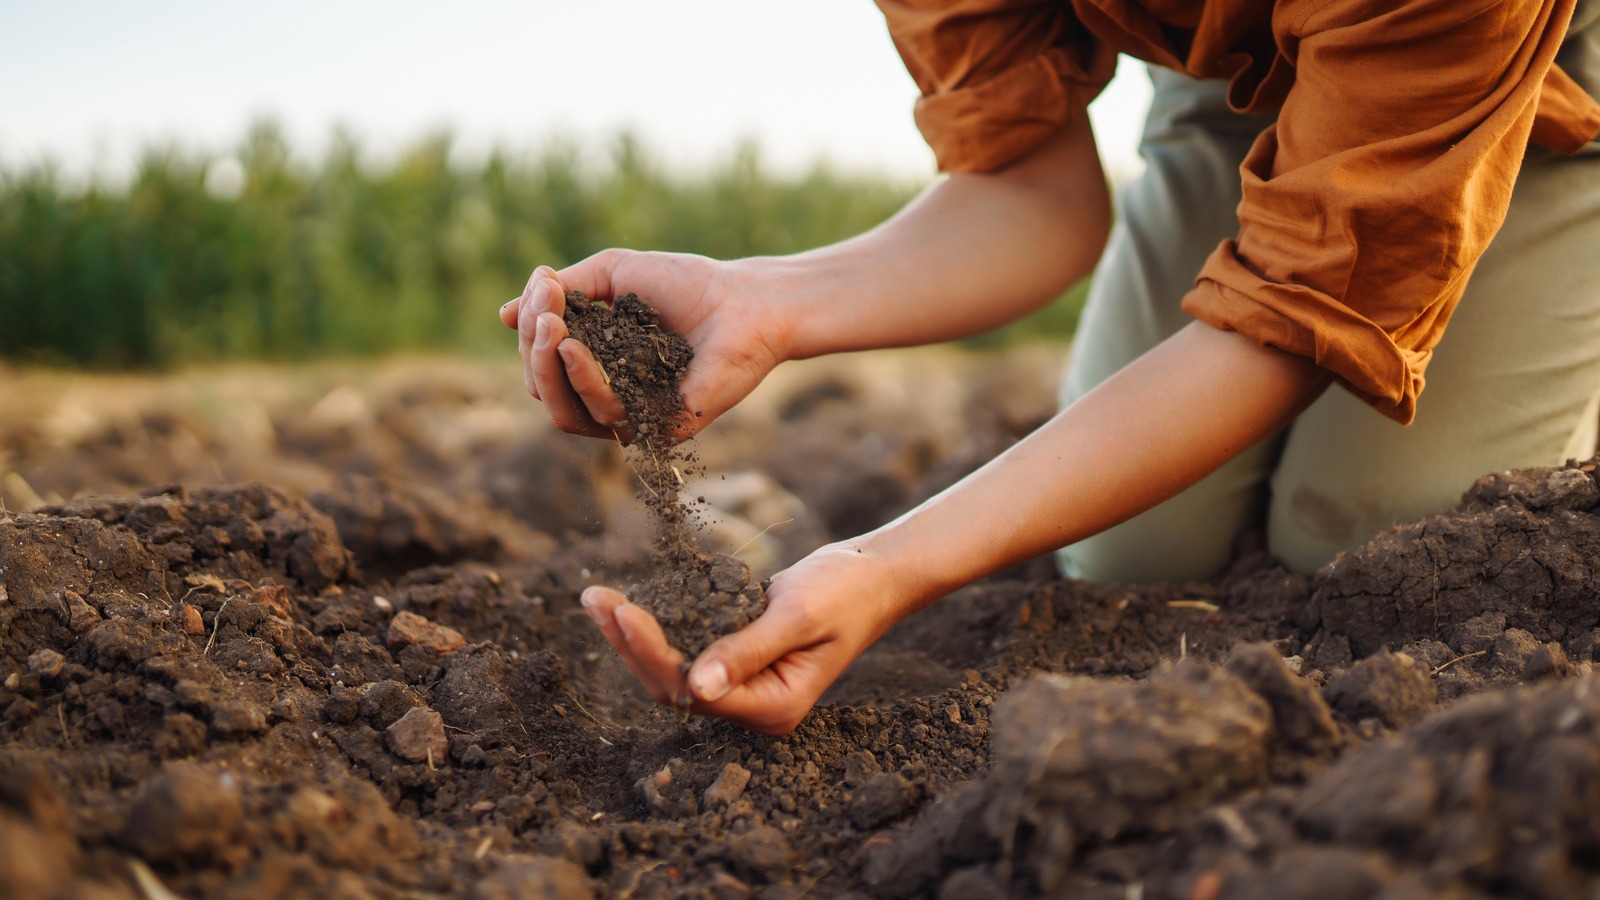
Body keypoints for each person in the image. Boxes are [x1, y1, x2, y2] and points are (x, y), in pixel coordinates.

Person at [499, 0, 1600, 734]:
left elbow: (1302, 314)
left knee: (1377, 542)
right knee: (1130, 549)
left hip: (1511, 84)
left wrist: (890, 564)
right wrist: (768, 301)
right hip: (1228, 79)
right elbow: (1030, 189)